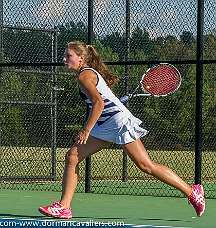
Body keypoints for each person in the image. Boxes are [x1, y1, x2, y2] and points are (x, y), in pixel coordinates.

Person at [38, 41, 206, 219]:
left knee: (145, 165)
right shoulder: (86, 74)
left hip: (118, 123)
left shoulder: (84, 76)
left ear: (81, 58)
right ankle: (64, 207)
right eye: (65, 56)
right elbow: (104, 100)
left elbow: (99, 103)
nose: (64, 59)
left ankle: (192, 192)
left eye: (68, 56)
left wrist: (86, 130)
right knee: (72, 157)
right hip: (105, 124)